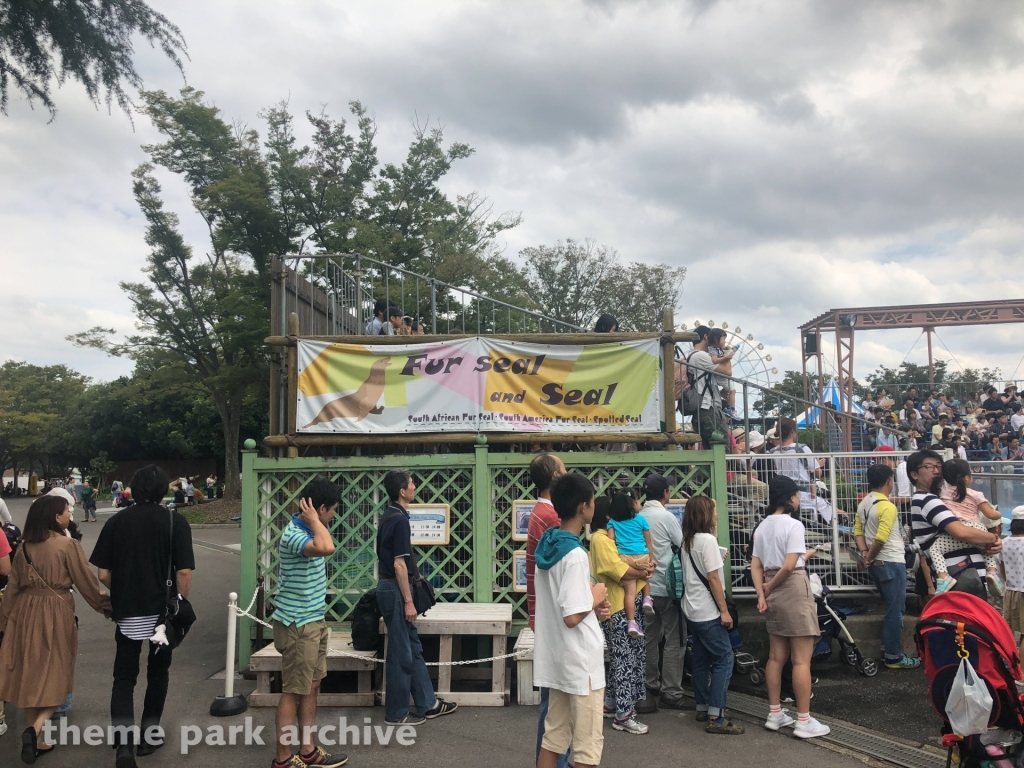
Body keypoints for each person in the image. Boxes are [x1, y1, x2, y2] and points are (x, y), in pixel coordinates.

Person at [89, 464, 196, 767]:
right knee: (158, 672)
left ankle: (124, 746)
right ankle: (149, 736)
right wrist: (178, 601)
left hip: (127, 612)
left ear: (133, 489)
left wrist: (121, 590)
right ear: (163, 490)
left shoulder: (117, 523)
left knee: (124, 677)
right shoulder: (176, 522)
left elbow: (103, 572)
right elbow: (184, 570)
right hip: (162, 613)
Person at [0, 495, 111, 763]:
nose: (69, 515)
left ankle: (34, 738)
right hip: (56, 609)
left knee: (29, 674)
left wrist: (4, 622)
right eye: (65, 512)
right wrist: (108, 606)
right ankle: (35, 729)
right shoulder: (67, 544)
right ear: (55, 516)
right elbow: (86, 582)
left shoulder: (24, 546)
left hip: (25, 611)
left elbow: (13, 587)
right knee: (58, 672)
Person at [268, 478, 349, 768]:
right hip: (297, 625)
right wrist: (315, 520)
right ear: (321, 509)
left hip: (313, 620)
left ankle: (308, 750)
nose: (334, 516)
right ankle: (283, 759)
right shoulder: (295, 535)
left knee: (312, 686)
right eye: (333, 510)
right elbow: (327, 547)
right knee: (293, 690)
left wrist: (315, 520)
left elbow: (326, 542)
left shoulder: (309, 529)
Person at [535, 474, 609, 768]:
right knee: (586, 749)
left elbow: (563, 605)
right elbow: (571, 615)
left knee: (553, 740)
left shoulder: (550, 544)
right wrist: (595, 595)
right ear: (584, 506)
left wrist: (590, 603)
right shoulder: (576, 553)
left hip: (559, 658)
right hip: (582, 664)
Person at [750, 475, 830, 739]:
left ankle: (775, 713)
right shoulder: (794, 525)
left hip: (771, 588)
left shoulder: (761, 526)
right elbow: (790, 565)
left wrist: (762, 592)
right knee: (801, 660)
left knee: (775, 657)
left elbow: (756, 565)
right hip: (792, 587)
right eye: (796, 494)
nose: (798, 498)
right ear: (788, 498)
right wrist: (770, 588)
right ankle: (804, 720)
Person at [375, 470, 457, 726]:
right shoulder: (399, 520)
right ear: (402, 491)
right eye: (411, 483)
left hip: (390, 588)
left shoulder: (389, 515)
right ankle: (397, 713)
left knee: (413, 647)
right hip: (396, 590)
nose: (414, 486)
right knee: (402, 653)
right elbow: (400, 565)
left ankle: (427, 703)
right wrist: (409, 601)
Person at [681, 496, 743, 734]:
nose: (716, 515)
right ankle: (716, 716)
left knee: (701, 659)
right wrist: (724, 611)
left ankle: (702, 705)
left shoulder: (688, 540)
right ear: (706, 514)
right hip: (708, 611)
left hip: (691, 609)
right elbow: (714, 578)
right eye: (714, 511)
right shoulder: (707, 540)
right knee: (724, 659)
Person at [589, 494, 649, 735]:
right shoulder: (601, 539)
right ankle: (624, 716)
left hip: (624, 606)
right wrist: (643, 572)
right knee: (625, 661)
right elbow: (619, 571)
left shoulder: (609, 536)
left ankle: (612, 703)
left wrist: (643, 568)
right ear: (607, 515)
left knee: (623, 659)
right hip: (616, 609)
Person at [525, 454, 570, 768]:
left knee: (554, 698)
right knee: (556, 700)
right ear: (555, 476)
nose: (567, 472)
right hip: (555, 616)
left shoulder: (539, 512)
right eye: (564, 468)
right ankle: (555, 761)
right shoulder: (551, 517)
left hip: (545, 613)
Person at [909, 450, 1001, 600]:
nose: (936, 471)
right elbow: (961, 532)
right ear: (915, 475)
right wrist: (993, 538)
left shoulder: (937, 498)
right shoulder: (928, 501)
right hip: (962, 574)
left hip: (967, 574)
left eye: (938, 466)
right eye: (929, 467)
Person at [854, 464, 920, 669]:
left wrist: (865, 554)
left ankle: (887, 650)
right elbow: (882, 537)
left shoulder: (864, 502)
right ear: (889, 481)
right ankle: (893, 656)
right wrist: (870, 556)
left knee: (891, 608)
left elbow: (858, 531)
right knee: (896, 610)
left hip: (878, 565)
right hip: (891, 562)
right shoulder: (888, 506)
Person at [637, 474, 687, 713]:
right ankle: (672, 691)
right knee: (674, 639)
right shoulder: (666, 517)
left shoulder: (638, 517)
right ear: (665, 493)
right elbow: (683, 544)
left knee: (648, 637)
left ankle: (649, 684)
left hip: (643, 588)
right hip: (666, 587)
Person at [933, 459, 1004, 595]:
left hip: (955, 531)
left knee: (935, 549)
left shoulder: (942, 494)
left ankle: (943, 578)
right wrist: (998, 513)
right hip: (977, 530)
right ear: (967, 478)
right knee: (987, 550)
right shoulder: (975, 494)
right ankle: (992, 572)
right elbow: (991, 515)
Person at [606, 490, 654, 638]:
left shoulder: (612, 522)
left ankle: (631, 622)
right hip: (641, 556)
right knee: (645, 574)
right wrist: (651, 559)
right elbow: (648, 542)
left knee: (630, 592)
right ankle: (647, 598)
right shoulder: (641, 520)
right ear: (632, 504)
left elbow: (611, 540)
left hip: (624, 558)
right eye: (638, 501)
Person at [687, 326, 729, 448]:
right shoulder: (700, 356)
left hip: (708, 406)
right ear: (706, 337)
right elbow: (727, 372)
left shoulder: (693, 356)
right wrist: (727, 354)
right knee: (720, 447)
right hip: (707, 407)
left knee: (714, 448)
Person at [1001, 506, 1024, 659]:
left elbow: (1001, 568)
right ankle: (1022, 674)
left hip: (1011, 592)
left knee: (1009, 632)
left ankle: (1012, 666)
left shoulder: (1004, 542)